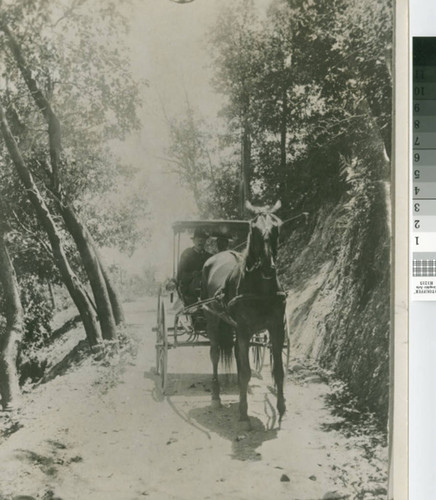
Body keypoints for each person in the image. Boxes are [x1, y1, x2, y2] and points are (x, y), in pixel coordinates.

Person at [177, 227, 212, 305]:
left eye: (203, 239)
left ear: (205, 241)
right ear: (193, 241)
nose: (200, 241)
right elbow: (180, 274)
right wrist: (193, 275)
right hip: (189, 288)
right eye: (198, 239)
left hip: (207, 287)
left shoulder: (209, 256)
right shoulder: (187, 254)